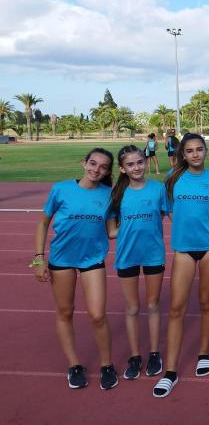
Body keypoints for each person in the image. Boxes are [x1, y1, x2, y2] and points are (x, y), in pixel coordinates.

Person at [33, 148, 118, 390]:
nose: (96, 169)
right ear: (84, 163)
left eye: (103, 167)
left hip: (92, 259)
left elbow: (112, 231)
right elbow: (43, 223)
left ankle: (107, 365)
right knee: (65, 312)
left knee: (98, 315)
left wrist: (143, 219)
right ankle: (74, 365)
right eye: (93, 163)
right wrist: (38, 259)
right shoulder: (61, 189)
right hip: (62, 260)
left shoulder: (109, 195)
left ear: (107, 172)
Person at [153, 133, 209, 398]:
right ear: (182, 154)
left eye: (199, 149)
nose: (195, 154)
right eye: (190, 150)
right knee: (176, 307)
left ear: (206, 151)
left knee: (206, 301)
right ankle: (171, 371)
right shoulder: (172, 178)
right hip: (184, 248)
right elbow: (170, 211)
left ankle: (204, 353)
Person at [106, 145, 168, 380]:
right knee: (132, 307)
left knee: (153, 304)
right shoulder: (117, 194)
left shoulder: (158, 189)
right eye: (130, 164)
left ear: (145, 162)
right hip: (127, 255)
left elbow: (162, 214)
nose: (137, 167)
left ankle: (154, 353)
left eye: (140, 162)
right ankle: (134, 356)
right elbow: (111, 232)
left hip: (153, 253)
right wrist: (128, 227)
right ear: (122, 169)